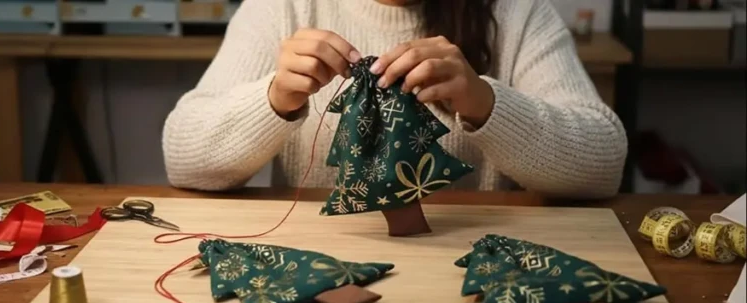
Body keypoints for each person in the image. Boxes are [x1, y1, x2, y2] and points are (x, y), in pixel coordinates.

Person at [162, 0, 628, 198]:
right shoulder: (282, 8)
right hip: (320, 270)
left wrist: (485, 102)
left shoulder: (516, 13)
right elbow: (184, 158)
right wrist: (275, 97)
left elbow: (604, 162)